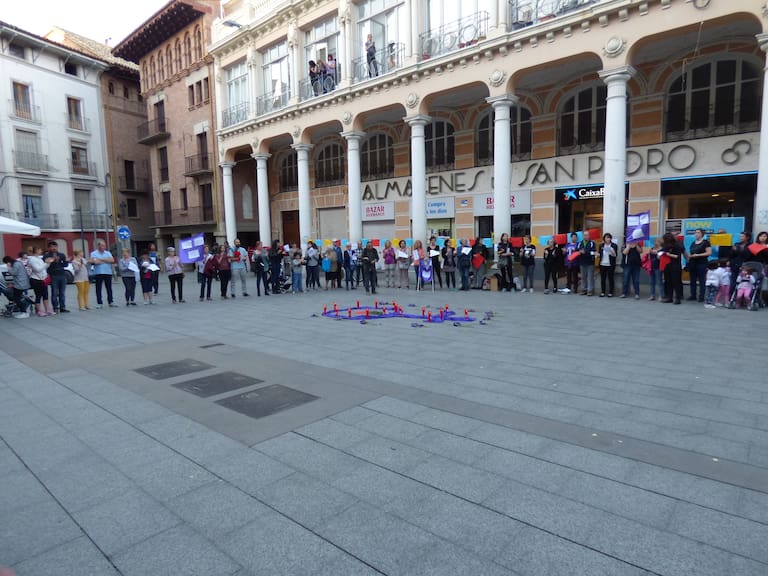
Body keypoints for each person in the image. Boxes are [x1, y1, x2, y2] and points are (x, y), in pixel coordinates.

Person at [685, 228, 712, 302]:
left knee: (701, 280)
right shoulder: (693, 243)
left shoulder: (705, 242)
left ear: (702, 234)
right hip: (693, 263)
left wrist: (698, 255)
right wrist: (689, 256)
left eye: (698, 232)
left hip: (701, 263)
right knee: (692, 280)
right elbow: (690, 252)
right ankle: (693, 295)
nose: (696, 234)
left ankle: (701, 296)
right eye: (695, 232)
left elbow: (709, 252)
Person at [90, 239, 117, 309]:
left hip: (108, 272)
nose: (104, 247)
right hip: (98, 272)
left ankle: (110, 301)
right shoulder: (93, 253)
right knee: (98, 288)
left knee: (109, 288)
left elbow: (112, 260)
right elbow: (93, 262)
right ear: (98, 246)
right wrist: (106, 260)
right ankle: (99, 303)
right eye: (102, 246)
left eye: (104, 246)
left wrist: (101, 260)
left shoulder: (108, 253)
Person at [44, 240, 69, 313]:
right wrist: (52, 260)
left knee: (62, 292)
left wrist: (65, 261)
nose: (54, 248)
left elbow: (65, 265)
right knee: (54, 292)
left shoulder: (61, 255)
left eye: (55, 246)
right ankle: (55, 307)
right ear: (49, 248)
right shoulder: (47, 256)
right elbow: (45, 265)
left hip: (62, 274)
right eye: (52, 247)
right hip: (53, 275)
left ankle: (62, 307)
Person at [27, 246, 52, 316]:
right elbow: (38, 269)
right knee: (38, 295)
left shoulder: (39, 258)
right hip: (36, 280)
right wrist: (45, 263)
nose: (41, 251)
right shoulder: (32, 259)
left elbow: (44, 268)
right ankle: (39, 311)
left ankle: (47, 310)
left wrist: (48, 263)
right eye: (40, 249)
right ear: (36, 251)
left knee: (45, 295)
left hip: (43, 279)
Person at [660, 232, 683, 304]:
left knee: (676, 282)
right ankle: (669, 297)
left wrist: (668, 254)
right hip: (667, 265)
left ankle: (678, 298)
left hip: (675, 265)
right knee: (668, 281)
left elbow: (677, 256)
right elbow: (662, 251)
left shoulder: (677, 245)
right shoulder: (665, 246)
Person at [9, 252, 31, 318]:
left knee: (17, 298)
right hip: (23, 282)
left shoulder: (17, 264)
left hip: (20, 284)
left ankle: (24, 311)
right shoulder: (19, 262)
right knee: (19, 297)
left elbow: (13, 273)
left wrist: (9, 267)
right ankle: (24, 310)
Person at [597, 233, 617, 297]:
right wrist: (597, 255)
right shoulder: (601, 245)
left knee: (611, 278)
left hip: (610, 264)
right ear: (604, 239)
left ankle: (611, 292)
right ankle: (603, 292)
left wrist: (611, 250)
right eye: (606, 238)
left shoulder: (614, 245)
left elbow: (615, 255)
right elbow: (600, 253)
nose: (608, 239)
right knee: (603, 279)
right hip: (602, 263)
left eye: (609, 238)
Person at [646, 237, 665, 301]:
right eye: (655, 241)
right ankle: (652, 295)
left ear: (660, 242)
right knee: (651, 282)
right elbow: (649, 258)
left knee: (659, 281)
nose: (655, 243)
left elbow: (661, 258)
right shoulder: (652, 248)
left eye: (657, 241)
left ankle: (661, 295)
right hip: (651, 267)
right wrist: (649, 253)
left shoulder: (662, 249)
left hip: (658, 267)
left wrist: (657, 253)